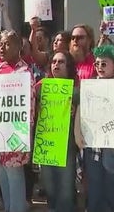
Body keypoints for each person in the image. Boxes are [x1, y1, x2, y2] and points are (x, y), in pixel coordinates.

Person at [0, 30, 35, 212]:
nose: (2, 47)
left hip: (15, 132)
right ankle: (9, 207)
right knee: (3, 171)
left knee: (14, 172)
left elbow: (30, 105)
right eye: (1, 44)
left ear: (19, 47)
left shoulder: (24, 72)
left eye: (7, 44)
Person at [75, 44, 114, 212]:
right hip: (92, 145)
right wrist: (78, 134)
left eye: (104, 63)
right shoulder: (89, 85)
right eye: (97, 63)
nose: (99, 67)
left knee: (111, 185)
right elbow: (79, 107)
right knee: (93, 186)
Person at [38, 51, 79, 212]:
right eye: (54, 61)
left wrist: (78, 111)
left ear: (69, 67)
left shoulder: (76, 92)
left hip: (67, 147)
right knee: (50, 187)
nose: (56, 64)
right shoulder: (41, 89)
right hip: (46, 146)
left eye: (61, 62)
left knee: (66, 189)